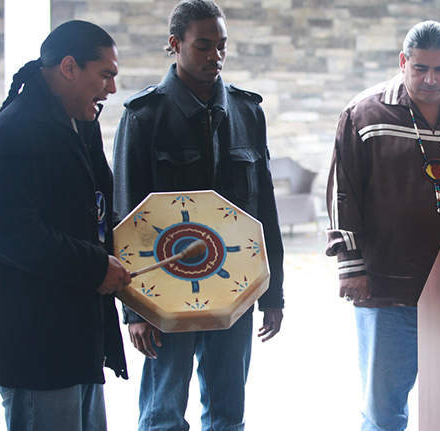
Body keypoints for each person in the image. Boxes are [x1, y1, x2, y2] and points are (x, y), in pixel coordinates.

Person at [326, 20, 440, 431]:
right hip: (387, 286)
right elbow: (344, 195)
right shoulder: (364, 114)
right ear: (402, 62)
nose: (431, 80)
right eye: (420, 69)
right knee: (384, 411)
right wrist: (351, 265)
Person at [112, 1, 284, 430]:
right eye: (203, 45)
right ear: (175, 44)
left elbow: (264, 209)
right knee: (162, 415)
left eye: (222, 46)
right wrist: (135, 311)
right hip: (165, 294)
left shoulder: (247, 112)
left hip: (235, 286)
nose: (215, 56)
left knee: (228, 415)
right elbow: (126, 219)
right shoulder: (144, 116)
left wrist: (273, 291)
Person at [0, 20, 131, 431]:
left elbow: (96, 209)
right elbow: (16, 234)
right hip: (37, 344)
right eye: (105, 74)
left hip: (80, 335)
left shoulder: (79, 123)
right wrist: (96, 267)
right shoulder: (14, 130)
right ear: (69, 67)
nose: (111, 89)